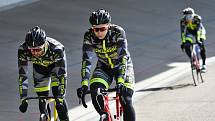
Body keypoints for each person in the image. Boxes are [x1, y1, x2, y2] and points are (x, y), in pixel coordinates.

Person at [77, 9, 136, 121]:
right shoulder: (89, 35)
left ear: (108, 26)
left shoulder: (118, 32)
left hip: (122, 65)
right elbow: (86, 60)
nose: (99, 32)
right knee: (95, 91)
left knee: (126, 99)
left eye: (102, 29)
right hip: (104, 67)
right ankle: (105, 117)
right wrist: (84, 83)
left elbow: (122, 57)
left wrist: (120, 81)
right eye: (96, 29)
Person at [18, 26, 69, 121]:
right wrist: (23, 99)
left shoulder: (57, 49)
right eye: (32, 50)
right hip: (39, 68)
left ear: (45, 44)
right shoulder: (23, 50)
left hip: (55, 67)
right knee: (42, 99)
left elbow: (62, 76)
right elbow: (22, 76)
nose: (35, 53)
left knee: (57, 95)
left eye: (38, 49)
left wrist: (60, 99)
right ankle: (45, 115)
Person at [180, 7, 207, 72]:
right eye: (186, 16)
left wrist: (198, 40)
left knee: (202, 46)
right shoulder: (183, 20)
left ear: (193, 15)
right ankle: (193, 61)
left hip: (199, 31)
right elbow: (183, 32)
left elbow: (198, 30)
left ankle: (204, 65)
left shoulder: (197, 18)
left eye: (190, 16)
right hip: (190, 32)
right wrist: (183, 42)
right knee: (186, 46)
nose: (188, 17)